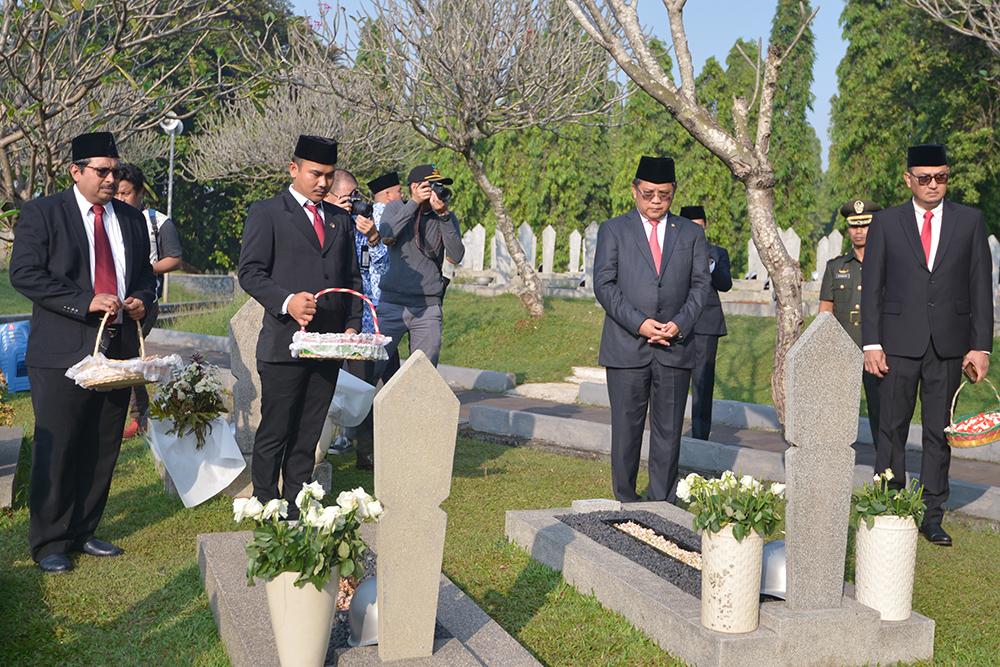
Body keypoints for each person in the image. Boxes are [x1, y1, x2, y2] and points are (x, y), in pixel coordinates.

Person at [9, 132, 157, 573]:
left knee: (103, 443)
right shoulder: (43, 212)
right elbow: (25, 274)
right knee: (59, 446)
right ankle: (50, 541)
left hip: (118, 348)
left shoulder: (131, 219)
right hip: (61, 352)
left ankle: (84, 530)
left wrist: (142, 301)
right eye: (102, 171)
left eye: (115, 170)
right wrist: (84, 300)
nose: (112, 178)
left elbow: (147, 278)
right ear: (76, 171)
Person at [861, 144, 993, 547]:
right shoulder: (885, 222)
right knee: (891, 429)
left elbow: (980, 288)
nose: (933, 184)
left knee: (940, 433)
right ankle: (888, 504)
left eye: (941, 177)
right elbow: (873, 289)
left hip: (950, 347)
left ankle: (932, 515)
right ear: (909, 179)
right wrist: (871, 343)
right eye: (924, 178)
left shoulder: (970, 222)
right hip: (897, 344)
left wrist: (981, 347)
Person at [238, 135, 363, 518]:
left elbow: (353, 279)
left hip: (328, 348)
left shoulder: (340, 219)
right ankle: (264, 500)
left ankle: (295, 502)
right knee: (276, 428)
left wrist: (352, 326)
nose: (323, 183)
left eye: (328, 176)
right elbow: (250, 273)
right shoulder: (268, 212)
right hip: (283, 344)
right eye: (315, 174)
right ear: (294, 170)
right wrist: (288, 301)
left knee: (309, 433)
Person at [593, 156, 711, 503]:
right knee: (626, 431)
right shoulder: (614, 230)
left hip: (675, 347)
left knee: (668, 432)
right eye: (648, 194)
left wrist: (680, 323)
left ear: (674, 192)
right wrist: (640, 324)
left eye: (664, 194)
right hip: (627, 347)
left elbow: (701, 285)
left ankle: (661, 503)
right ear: (634, 191)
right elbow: (604, 284)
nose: (656, 201)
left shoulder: (690, 233)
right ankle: (626, 500)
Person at [323, 169, 389, 470]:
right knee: (321, 385)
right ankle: (319, 448)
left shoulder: (360, 229)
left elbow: (382, 272)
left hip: (360, 322)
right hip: (325, 320)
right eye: (347, 198)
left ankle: (366, 453)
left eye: (355, 197)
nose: (353, 204)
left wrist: (374, 239)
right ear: (328, 195)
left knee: (363, 388)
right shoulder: (318, 225)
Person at [375, 164, 464, 376]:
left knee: (422, 376)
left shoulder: (446, 217)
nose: (437, 190)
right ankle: (364, 410)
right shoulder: (396, 207)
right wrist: (414, 203)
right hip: (392, 304)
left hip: (428, 307)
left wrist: (444, 216)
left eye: (439, 186)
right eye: (431, 186)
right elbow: (386, 236)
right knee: (372, 368)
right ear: (415, 187)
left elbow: (456, 256)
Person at [115, 162, 183, 434]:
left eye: (126, 193)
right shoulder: (110, 219)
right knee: (124, 356)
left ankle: (140, 417)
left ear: (140, 192)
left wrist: (143, 269)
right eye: (117, 193)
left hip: (145, 302)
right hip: (113, 301)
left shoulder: (157, 222)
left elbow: (175, 259)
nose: (120, 199)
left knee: (128, 354)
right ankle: (139, 416)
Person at [819, 199, 883, 446]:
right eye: (854, 226)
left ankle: (884, 470)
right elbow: (826, 313)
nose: (859, 231)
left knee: (880, 414)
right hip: (844, 351)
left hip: (878, 351)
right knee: (839, 414)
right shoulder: (836, 267)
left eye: (865, 225)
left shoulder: (888, 265)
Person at [679, 205, 732, 442]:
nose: (696, 231)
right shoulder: (673, 250)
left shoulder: (718, 253)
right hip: (676, 323)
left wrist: (710, 266)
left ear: (706, 226)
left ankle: (700, 437)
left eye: (699, 226)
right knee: (673, 380)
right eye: (691, 227)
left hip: (706, 324)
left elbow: (725, 284)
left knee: (702, 381)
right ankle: (672, 432)